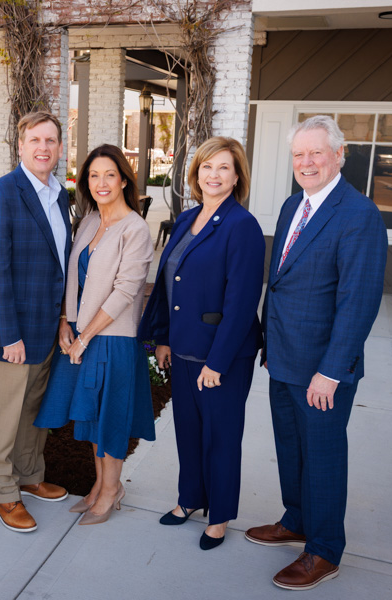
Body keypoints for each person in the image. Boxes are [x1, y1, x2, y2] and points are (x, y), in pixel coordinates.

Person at [245, 115, 387, 590]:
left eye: (316, 153)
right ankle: (297, 519)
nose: (306, 163)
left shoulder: (358, 214)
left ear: (339, 155)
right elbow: (283, 282)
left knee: (322, 455)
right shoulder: (293, 206)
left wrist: (332, 371)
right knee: (291, 448)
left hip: (323, 369)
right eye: (298, 154)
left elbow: (358, 301)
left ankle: (324, 549)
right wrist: (269, 342)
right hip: (284, 356)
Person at [138, 137, 265, 550]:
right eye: (207, 167)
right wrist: (162, 339)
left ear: (236, 176)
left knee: (221, 437)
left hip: (221, 356)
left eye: (224, 168)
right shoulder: (188, 217)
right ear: (196, 174)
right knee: (189, 432)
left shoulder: (242, 226)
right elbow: (167, 286)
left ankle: (221, 515)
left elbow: (242, 301)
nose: (214, 175)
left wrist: (218, 362)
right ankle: (190, 498)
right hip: (183, 348)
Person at [36, 144, 156, 525]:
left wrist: (85, 335)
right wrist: (64, 323)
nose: (101, 183)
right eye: (93, 175)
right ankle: (99, 485)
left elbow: (125, 291)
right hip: (79, 334)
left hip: (113, 338)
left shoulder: (135, 228)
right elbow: (72, 278)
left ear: (123, 180)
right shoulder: (87, 222)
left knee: (112, 418)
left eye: (109, 175)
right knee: (90, 418)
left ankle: (110, 490)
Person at [0, 111, 72, 532]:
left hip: (47, 329)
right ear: (20, 146)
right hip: (11, 335)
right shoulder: (1, 194)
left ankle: (30, 475)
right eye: (35, 140)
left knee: (34, 410)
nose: (43, 148)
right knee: (4, 416)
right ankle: (2, 491)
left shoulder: (60, 194)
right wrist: (8, 336)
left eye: (50, 141)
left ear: (60, 147)